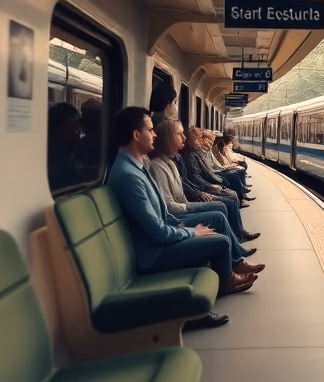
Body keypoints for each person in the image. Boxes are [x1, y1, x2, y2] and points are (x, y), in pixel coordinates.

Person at [107, 107, 257, 299]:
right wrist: (192, 231)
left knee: (216, 223)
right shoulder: (130, 176)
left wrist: (188, 227)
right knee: (220, 242)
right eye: (150, 130)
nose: (155, 135)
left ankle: (229, 271)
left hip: (160, 237)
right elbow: (159, 231)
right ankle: (225, 282)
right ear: (137, 135)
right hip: (153, 254)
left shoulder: (137, 167)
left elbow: (164, 216)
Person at [151, 118, 261, 253]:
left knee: (222, 203)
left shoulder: (171, 162)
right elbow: (171, 206)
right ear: (168, 138)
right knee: (220, 210)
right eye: (179, 134)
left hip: (185, 204)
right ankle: (236, 250)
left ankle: (236, 247)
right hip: (179, 216)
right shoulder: (158, 166)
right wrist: (199, 195)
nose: (184, 138)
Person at [182, 127, 244, 205]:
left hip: (211, 176)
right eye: (197, 139)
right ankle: (240, 198)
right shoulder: (195, 154)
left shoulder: (202, 152)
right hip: (210, 177)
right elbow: (206, 172)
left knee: (232, 178)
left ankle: (241, 195)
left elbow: (214, 165)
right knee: (232, 179)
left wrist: (226, 167)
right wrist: (210, 185)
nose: (199, 142)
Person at [202, 131, 253, 199]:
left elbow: (216, 163)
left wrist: (226, 167)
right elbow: (210, 168)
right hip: (214, 173)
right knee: (234, 174)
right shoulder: (205, 152)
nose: (212, 141)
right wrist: (225, 168)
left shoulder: (209, 150)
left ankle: (242, 191)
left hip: (217, 170)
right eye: (211, 139)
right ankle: (241, 195)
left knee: (236, 171)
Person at [46, 103, 82, 190]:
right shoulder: (55, 159)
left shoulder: (71, 151)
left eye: (78, 128)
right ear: (56, 130)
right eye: (72, 128)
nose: (78, 133)